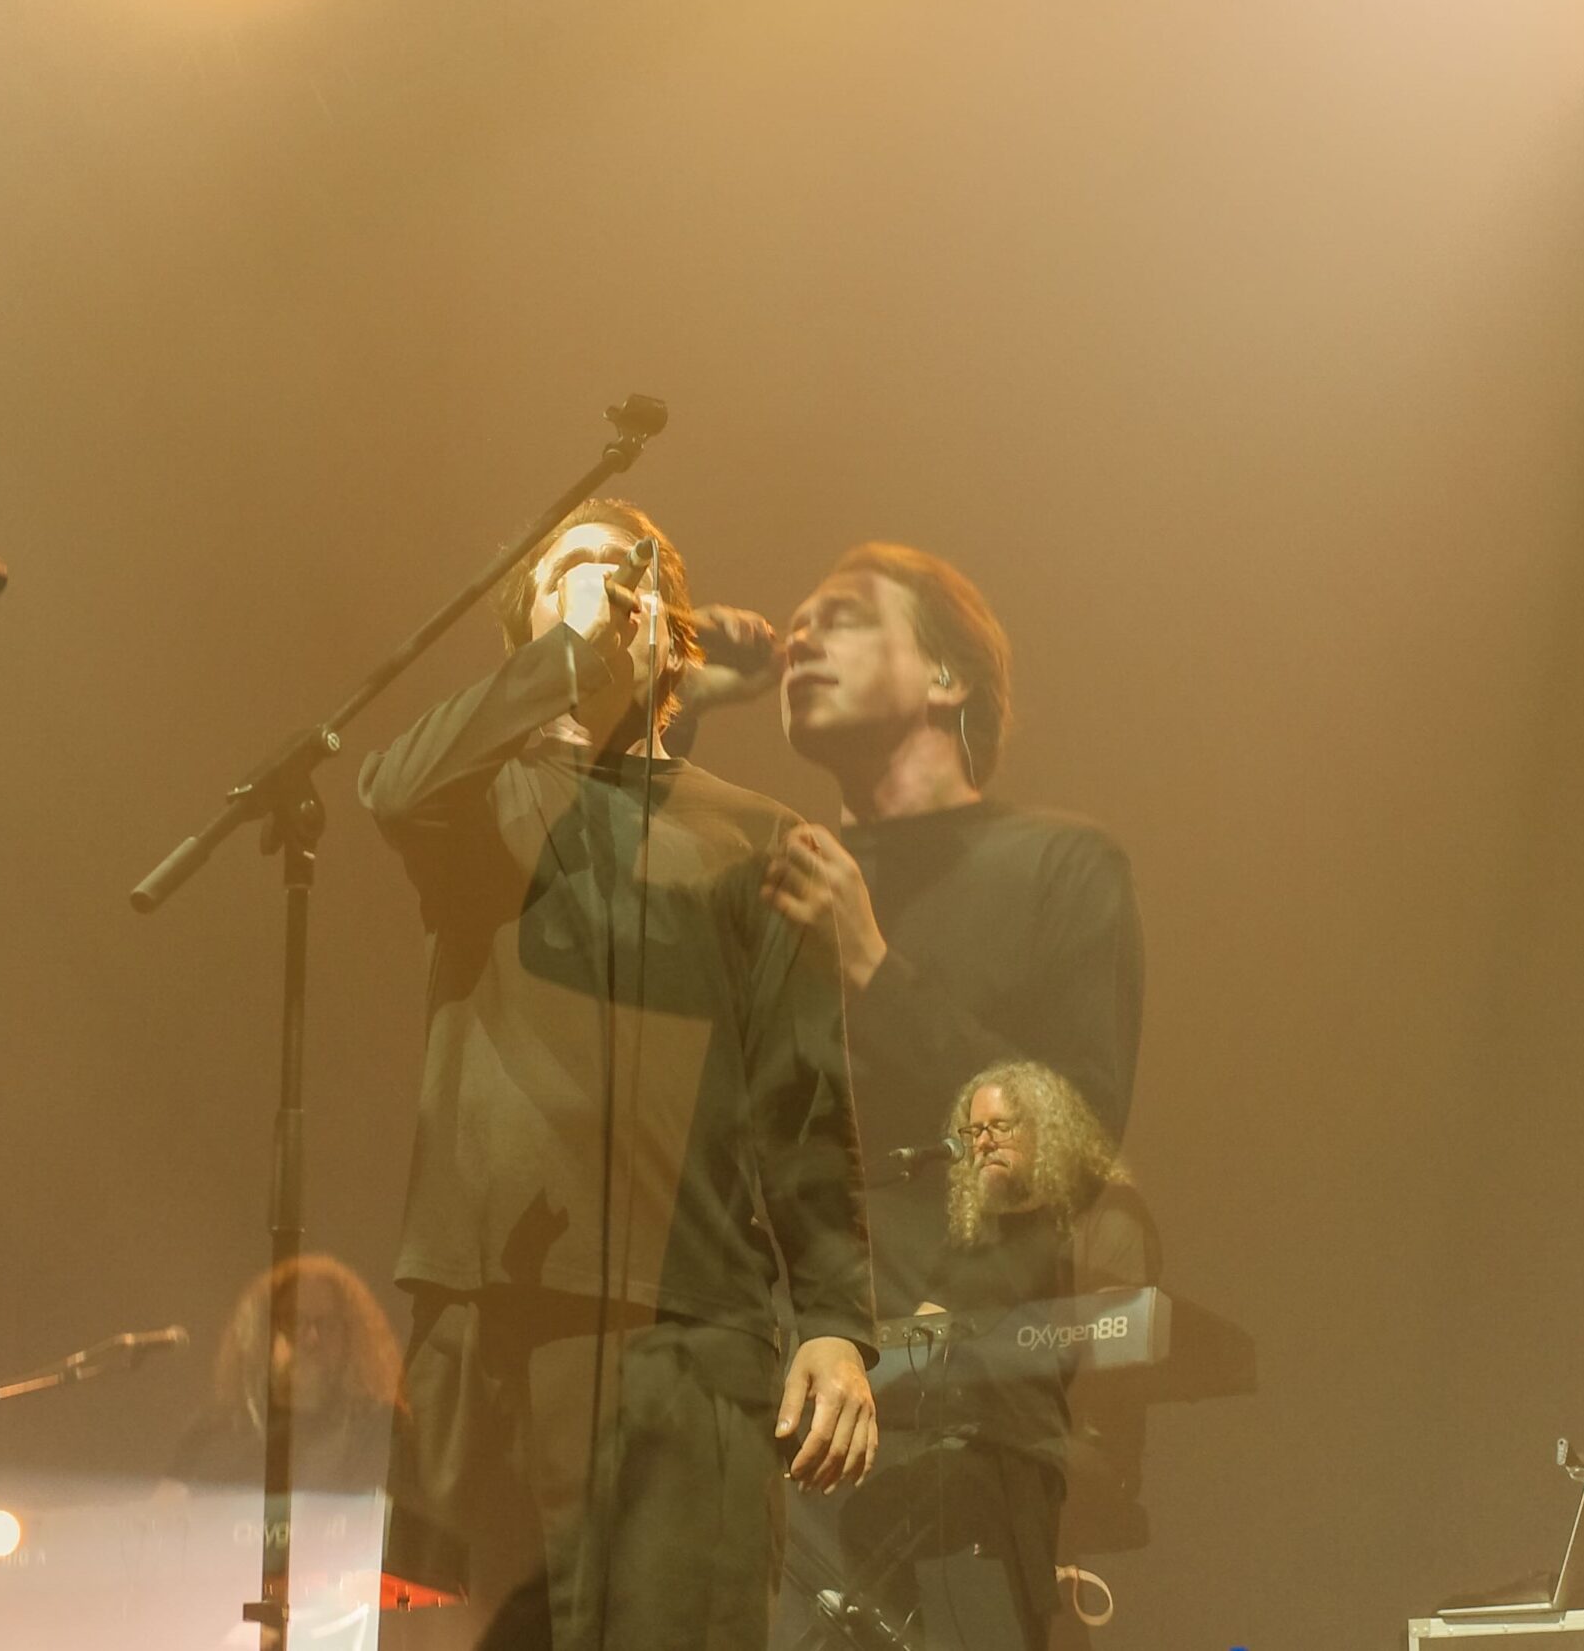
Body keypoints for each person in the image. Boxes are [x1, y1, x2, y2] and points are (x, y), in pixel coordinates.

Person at [356, 500, 879, 1651]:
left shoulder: (761, 837)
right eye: (568, 574)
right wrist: (563, 659)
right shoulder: (479, 804)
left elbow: (803, 1101)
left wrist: (837, 1323)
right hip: (482, 1330)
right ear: (530, 635)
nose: (602, 589)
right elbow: (390, 788)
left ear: (669, 635)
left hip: (689, 1343)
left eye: (624, 575)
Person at [680, 542, 1146, 1313]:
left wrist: (871, 970)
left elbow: (1075, 1133)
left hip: (949, 1355)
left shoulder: (1061, 864)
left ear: (945, 678)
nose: (799, 643)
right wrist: (671, 700)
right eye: (797, 626)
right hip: (771, 1353)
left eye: (844, 620)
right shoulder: (772, 875)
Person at [829, 1061, 1158, 1651]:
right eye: (973, 1130)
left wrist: (1012, 1347)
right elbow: (918, 1342)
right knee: (871, 1515)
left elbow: (1118, 1339)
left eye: (999, 1127)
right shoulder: (976, 1242)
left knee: (928, 1513)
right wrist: (846, 1377)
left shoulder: (1104, 1214)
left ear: (1046, 1130)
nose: (980, 1143)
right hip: (990, 1446)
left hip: (1072, 1446)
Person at [162, 1253, 405, 1496]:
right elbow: (164, 1509)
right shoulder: (212, 1431)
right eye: (295, 1321)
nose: (312, 1338)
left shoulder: (381, 1429)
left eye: (328, 1324)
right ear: (261, 1332)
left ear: (350, 1336)